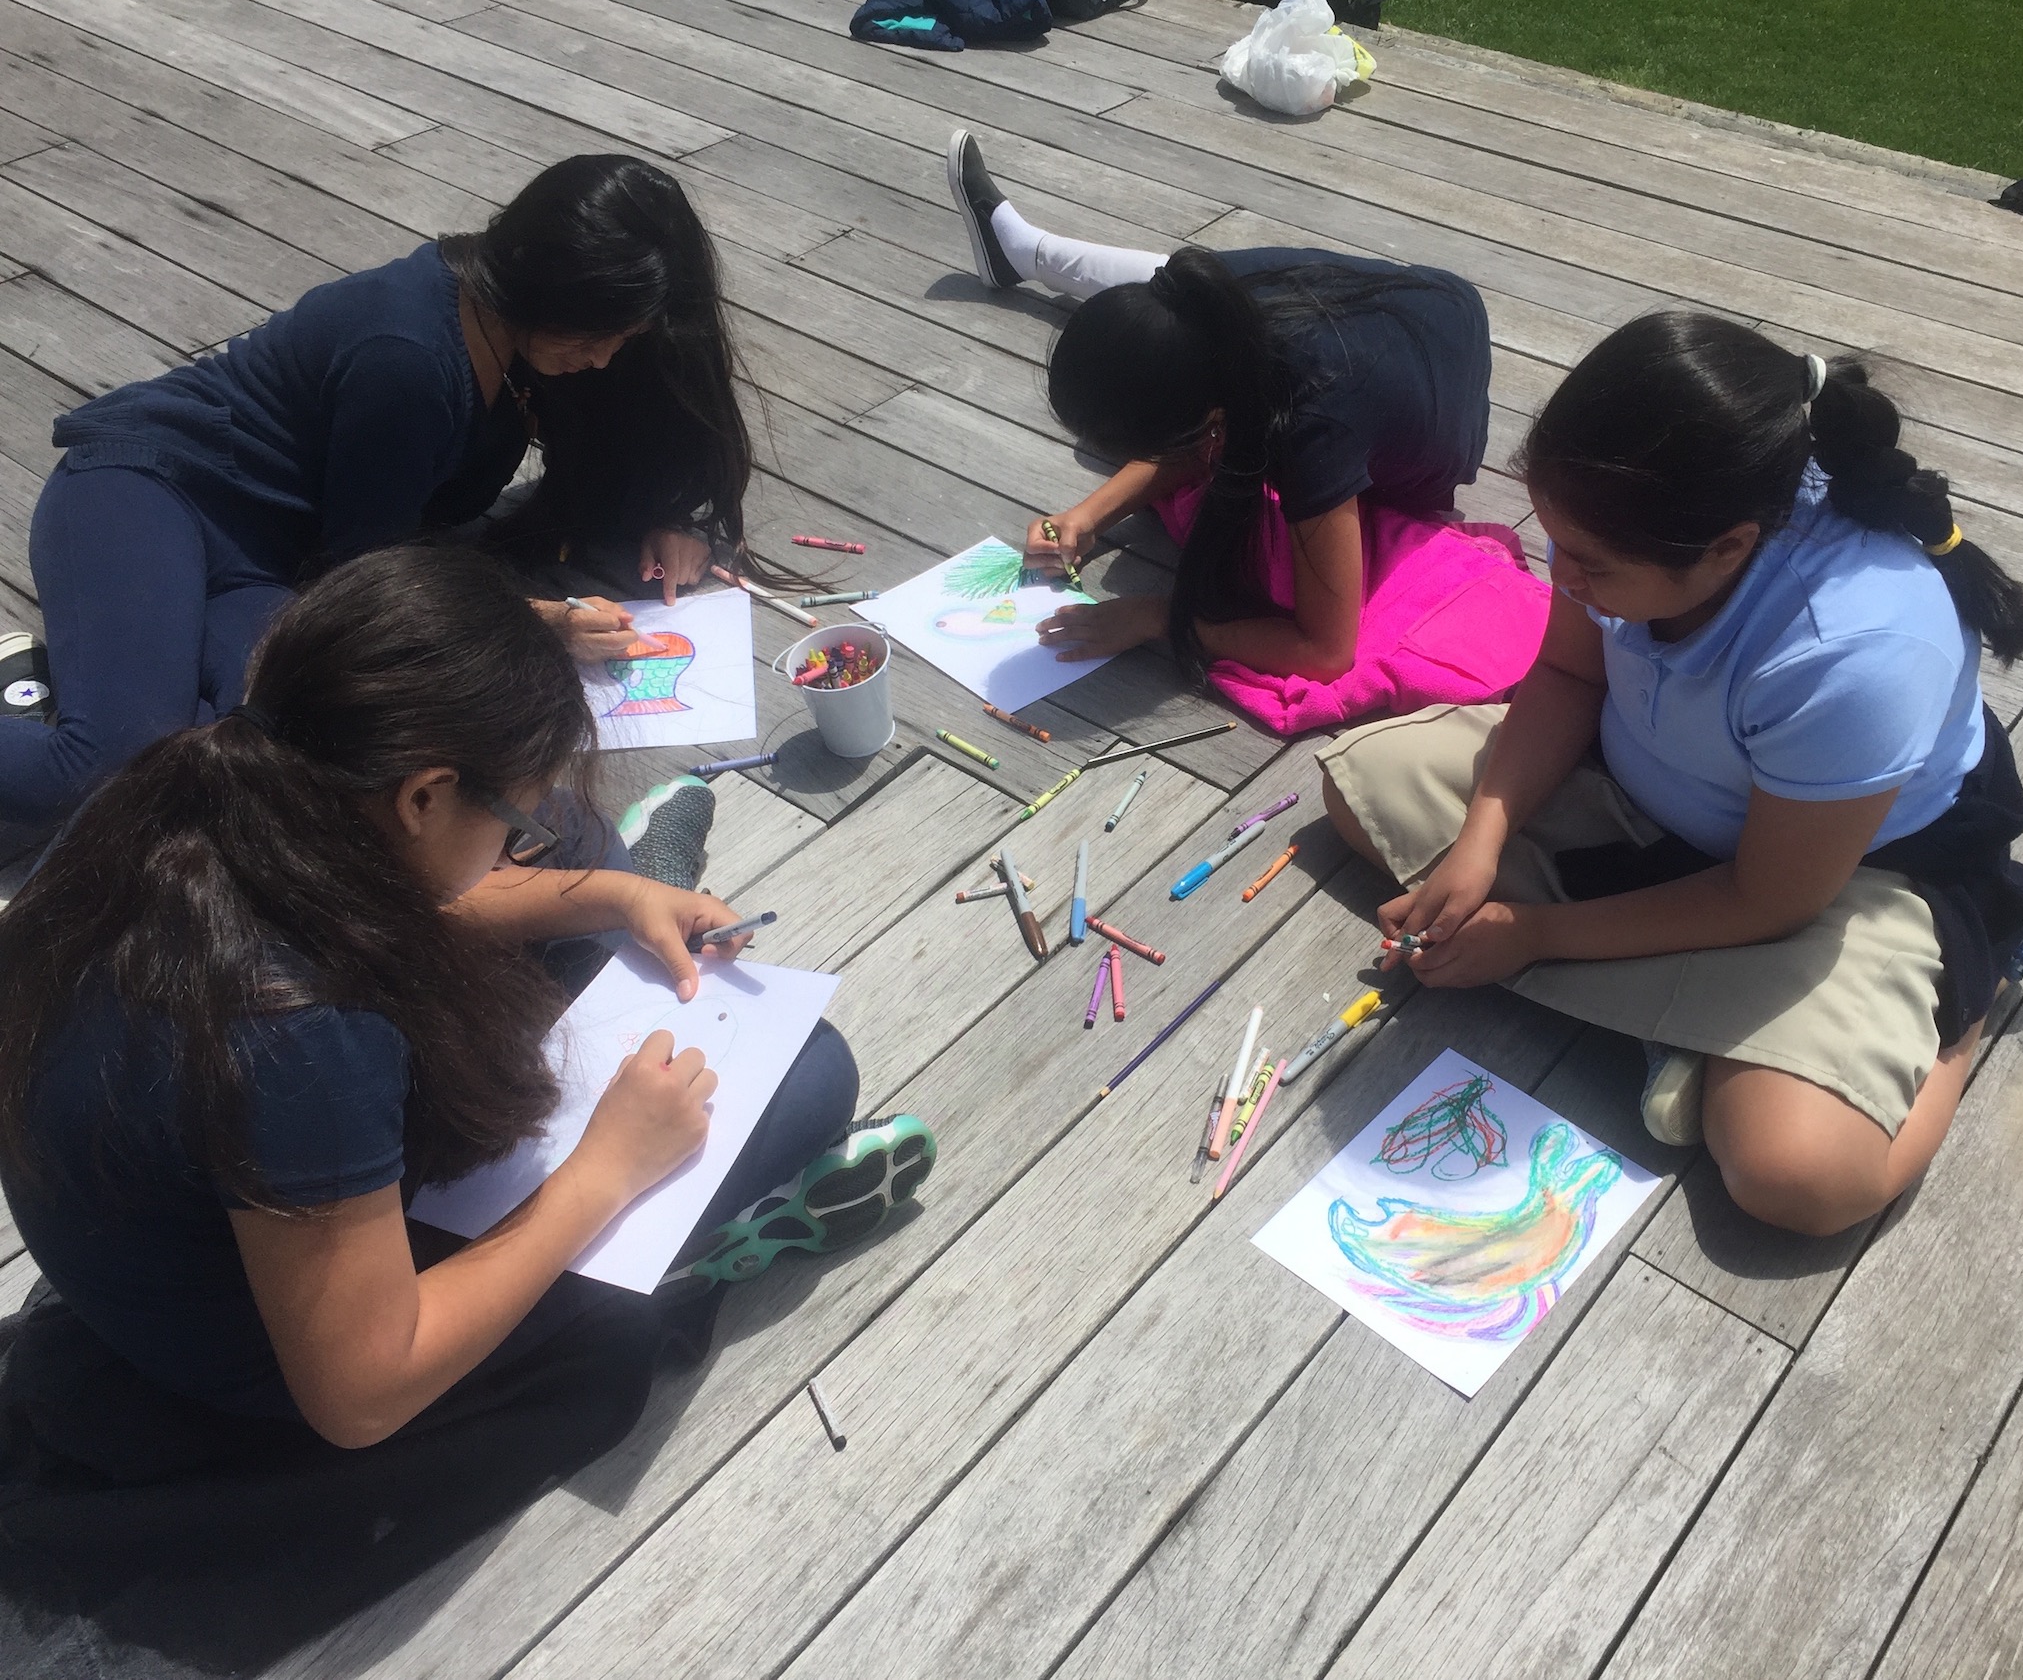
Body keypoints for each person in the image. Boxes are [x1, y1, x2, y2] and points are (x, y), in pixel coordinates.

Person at [0, 548, 933, 1669]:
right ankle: (698, 1259)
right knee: (807, 1080)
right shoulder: (302, 1036)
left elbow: (390, 907)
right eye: (509, 817)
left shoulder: (199, 793)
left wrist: (610, 891)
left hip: (170, 1242)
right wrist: (606, 1172)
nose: (517, 839)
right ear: (423, 791)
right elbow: (361, 1392)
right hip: (274, 1357)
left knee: (585, 880)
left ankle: (622, 871)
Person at [1321, 313, 2023, 1237]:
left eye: (1594, 569)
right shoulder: (1627, 518)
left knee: (1798, 1179)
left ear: (1726, 546)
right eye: (1563, 548)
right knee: (1360, 787)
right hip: (1655, 793)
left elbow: (1769, 898)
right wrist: (1482, 844)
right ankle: (1688, 1015)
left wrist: (1536, 934)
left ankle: (1967, 1005)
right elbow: (1565, 672)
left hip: (1849, 876)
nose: (1567, 582)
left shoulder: (1853, 649)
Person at [0, 153, 798, 831]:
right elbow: (368, 589)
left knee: (272, 764)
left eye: (622, 338)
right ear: (542, 290)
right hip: (153, 491)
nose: (604, 359)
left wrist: (666, 511)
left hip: (275, 566)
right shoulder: (411, 360)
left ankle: (73, 681)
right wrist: (536, 622)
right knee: (105, 770)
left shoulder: (512, 321)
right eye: (594, 336)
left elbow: (625, 424)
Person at [945, 131, 1547, 733]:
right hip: (1410, 305)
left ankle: (1028, 252)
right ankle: (1025, 251)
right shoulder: (1200, 298)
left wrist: (1159, 617)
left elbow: (1326, 651)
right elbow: (1193, 428)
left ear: (1212, 430)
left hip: (1439, 392)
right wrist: (1086, 516)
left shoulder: (1316, 424)